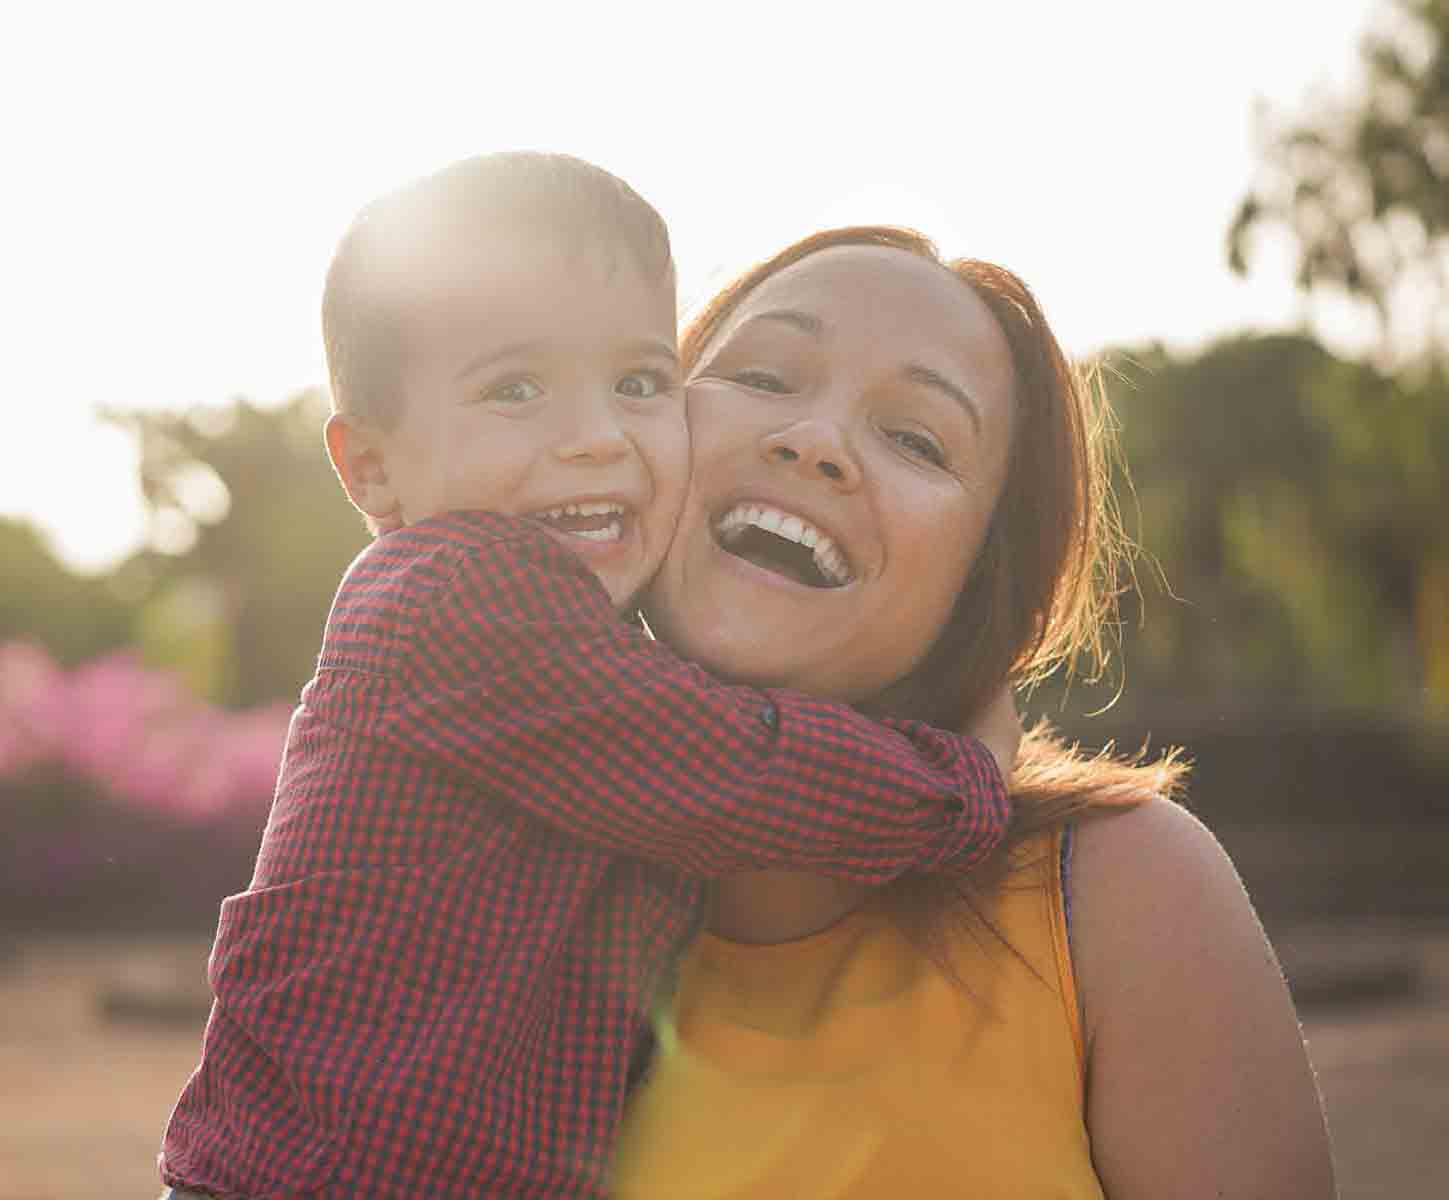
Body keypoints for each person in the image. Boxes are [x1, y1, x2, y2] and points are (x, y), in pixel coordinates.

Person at [157, 159, 1018, 1199]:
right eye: (516, 390)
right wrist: (963, 779)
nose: (599, 438)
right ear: (372, 468)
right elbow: (731, 772)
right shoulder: (459, 598)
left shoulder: (601, 662)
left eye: (642, 383)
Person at [611, 227, 1337, 1197]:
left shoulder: (1116, 896)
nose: (815, 441)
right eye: (765, 376)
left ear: (984, 581)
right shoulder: (478, 869)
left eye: (915, 438)